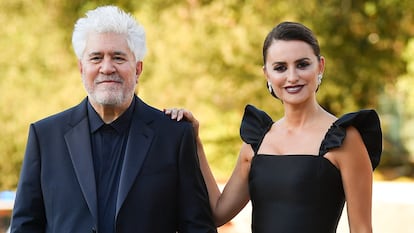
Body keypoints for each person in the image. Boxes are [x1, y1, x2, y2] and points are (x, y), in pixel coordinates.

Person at [10, 5, 216, 233]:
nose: (106, 68)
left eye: (118, 58)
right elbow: (24, 227)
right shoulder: (45, 137)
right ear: (81, 68)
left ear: (138, 69)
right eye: (96, 57)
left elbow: (198, 228)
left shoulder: (174, 135)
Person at [166, 21, 382, 233]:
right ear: (267, 74)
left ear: (320, 66)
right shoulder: (256, 143)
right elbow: (217, 213)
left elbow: (362, 229)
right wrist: (195, 143)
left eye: (302, 64)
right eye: (280, 67)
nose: (292, 77)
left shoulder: (344, 139)